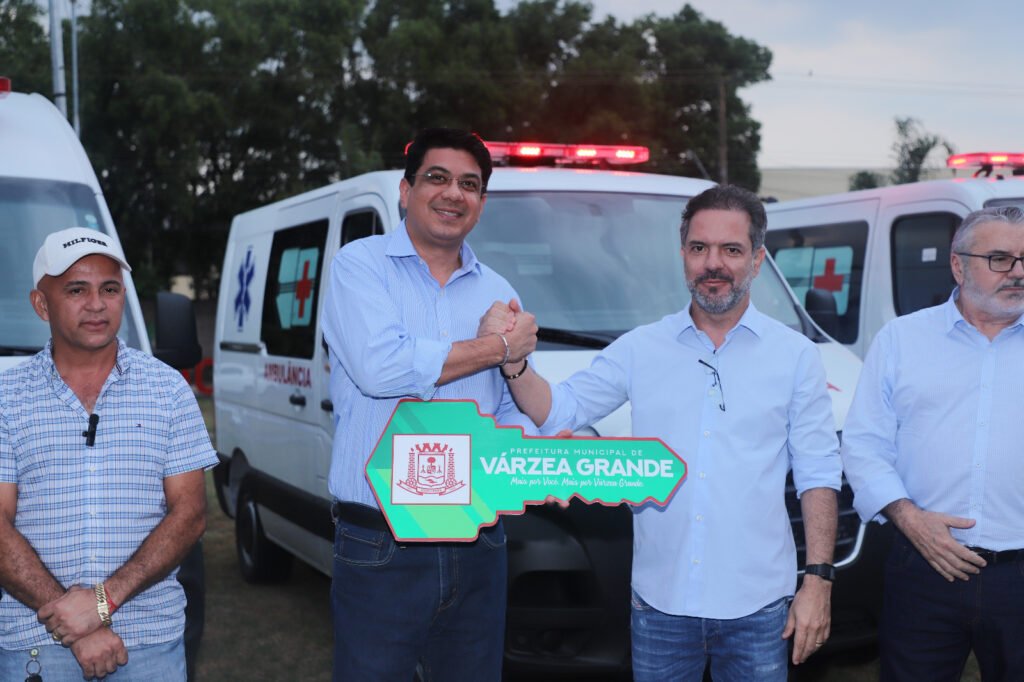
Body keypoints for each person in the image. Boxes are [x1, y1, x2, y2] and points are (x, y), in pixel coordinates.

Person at [488, 184, 841, 681]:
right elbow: (559, 410)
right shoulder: (642, 348)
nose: (712, 263)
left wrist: (818, 581)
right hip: (661, 606)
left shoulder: (796, 355)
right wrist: (513, 360)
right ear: (683, 256)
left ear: (757, 259)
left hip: (759, 606)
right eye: (699, 248)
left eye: (731, 249)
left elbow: (818, 473)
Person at [321, 128, 537, 681]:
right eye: (437, 178)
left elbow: (508, 405)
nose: (453, 194)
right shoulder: (358, 265)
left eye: (470, 184)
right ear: (405, 190)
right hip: (381, 541)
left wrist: (532, 453)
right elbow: (382, 368)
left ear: (481, 203)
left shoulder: (499, 290)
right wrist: (496, 346)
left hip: (478, 537)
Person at [0, 227, 217, 681]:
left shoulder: (168, 391)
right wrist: (74, 623)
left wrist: (102, 602)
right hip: (36, 646)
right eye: (77, 290)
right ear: (41, 304)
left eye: (110, 289)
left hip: (149, 645)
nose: (97, 304)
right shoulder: (6, 397)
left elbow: (191, 514)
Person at [840, 205, 1024, 681]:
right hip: (923, 567)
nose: (1017, 272)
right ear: (958, 265)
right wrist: (910, 520)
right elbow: (863, 445)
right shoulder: (901, 340)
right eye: (1000, 259)